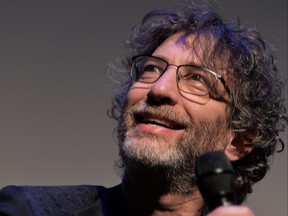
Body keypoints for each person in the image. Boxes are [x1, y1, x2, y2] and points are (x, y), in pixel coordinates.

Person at [0, 1, 287, 216]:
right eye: (151, 69)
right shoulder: (26, 210)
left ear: (239, 140)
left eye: (197, 79)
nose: (158, 89)